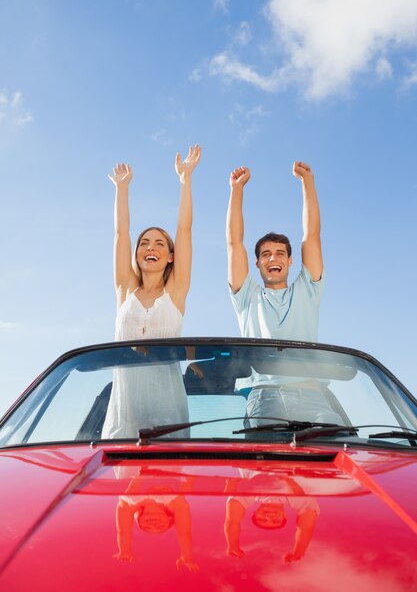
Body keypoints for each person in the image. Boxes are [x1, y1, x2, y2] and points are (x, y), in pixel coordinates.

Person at [226, 162, 341, 425]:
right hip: (265, 396)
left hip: (311, 395)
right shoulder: (247, 297)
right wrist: (236, 190)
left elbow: (312, 235)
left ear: (290, 261)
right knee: (265, 462)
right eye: (265, 254)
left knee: (337, 448)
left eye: (279, 253)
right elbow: (234, 242)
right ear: (257, 263)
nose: (272, 258)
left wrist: (307, 183)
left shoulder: (307, 291)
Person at [102, 145, 202, 438]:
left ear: (170, 256)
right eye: (145, 242)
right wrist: (122, 189)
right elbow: (121, 233)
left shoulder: (176, 292)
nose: (150, 247)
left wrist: (185, 181)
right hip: (123, 417)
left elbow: (184, 230)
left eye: (159, 243)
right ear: (136, 255)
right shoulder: (125, 291)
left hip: (168, 416)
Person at [224, 471, 319, 563]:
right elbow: (306, 528)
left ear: (255, 512)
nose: (269, 517)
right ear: (285, 516)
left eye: (261, 519)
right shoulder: (298, 501)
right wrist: (298, 553)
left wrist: (232, 546)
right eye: (276, 521)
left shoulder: (248, 495)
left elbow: (232, 521)